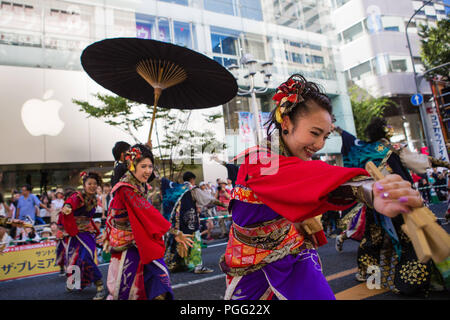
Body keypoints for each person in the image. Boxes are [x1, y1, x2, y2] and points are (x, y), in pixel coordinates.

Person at [219, 74, 424, 300]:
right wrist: (367, 189)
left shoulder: (296, 162)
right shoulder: (258, 160)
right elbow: (298, 178)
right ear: (286, 123)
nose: (319, 145)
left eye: (325, 136)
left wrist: (371, 190)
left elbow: (309, 178)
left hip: (293, 253)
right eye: (314, 133)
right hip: (251, 264)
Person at [333, 117, 439, 296]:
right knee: (409, 238)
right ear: (385, 131)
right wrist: (441, 163)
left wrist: (339, 130)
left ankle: (370, 273)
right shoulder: (392, 148)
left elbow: (352, 142)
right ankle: (411, 280)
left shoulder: (369, 148)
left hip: (377, 202)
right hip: (399, 200)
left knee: (374, 239)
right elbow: (419, 162)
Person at [104, 144, 193, 300]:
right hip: (128, 246)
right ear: (132, 165)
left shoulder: (139, 184)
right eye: (143, 166)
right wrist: (173, 231)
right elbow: (147, 212)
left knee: (160, 283)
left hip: (141, 240)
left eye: (150, 166)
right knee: (126, 292)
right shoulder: (126, 188)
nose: (148, 171)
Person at [58, 171, 105, 300]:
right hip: (73, 232)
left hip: (87, 233)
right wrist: (67, 207)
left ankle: (99, 285)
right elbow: (69, 204)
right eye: (89, 183)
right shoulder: (77, 197)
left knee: (85, 258)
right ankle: (73, 281)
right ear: (84, 185)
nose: (92, 186)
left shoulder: (94, 199)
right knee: (72, 258)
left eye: (95, 184)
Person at [164, 171, 213, 274]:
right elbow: (208, 200)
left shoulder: (178, 189)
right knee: (195, 242)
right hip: (191, 219)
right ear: (192, 179)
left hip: (180, 221)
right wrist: (224, 204)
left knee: (182, 241)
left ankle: (182, 264)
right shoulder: (192, 189)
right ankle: (197, 266)